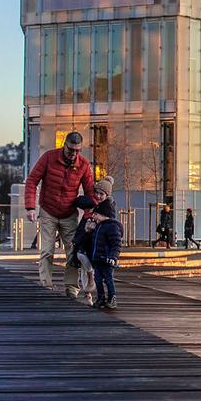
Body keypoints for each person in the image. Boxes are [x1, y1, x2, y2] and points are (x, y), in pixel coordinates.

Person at [23, 131, 97, 296]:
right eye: (71, 150)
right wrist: (30, 207)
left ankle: (71, 287)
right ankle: (46, 285)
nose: (74, 154)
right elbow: (32, 180)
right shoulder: (49, 158)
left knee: (73, 251)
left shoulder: (84, 165)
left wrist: (89, 217)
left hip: (69, 213)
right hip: (48, 210)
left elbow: (90, 193)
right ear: (64, 145)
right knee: (47, 251)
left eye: (77, 150)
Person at [89, 196, 123, 310]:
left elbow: (116, 244)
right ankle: (101, 298)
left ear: (103, 214)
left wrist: (113, 256)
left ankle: (112, 298)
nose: (94, 217)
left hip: (107, 259)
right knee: (98, 279)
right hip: (98, 259)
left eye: (96, 214)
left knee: (108, 279)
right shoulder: (99, 226)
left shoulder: (112, 227)